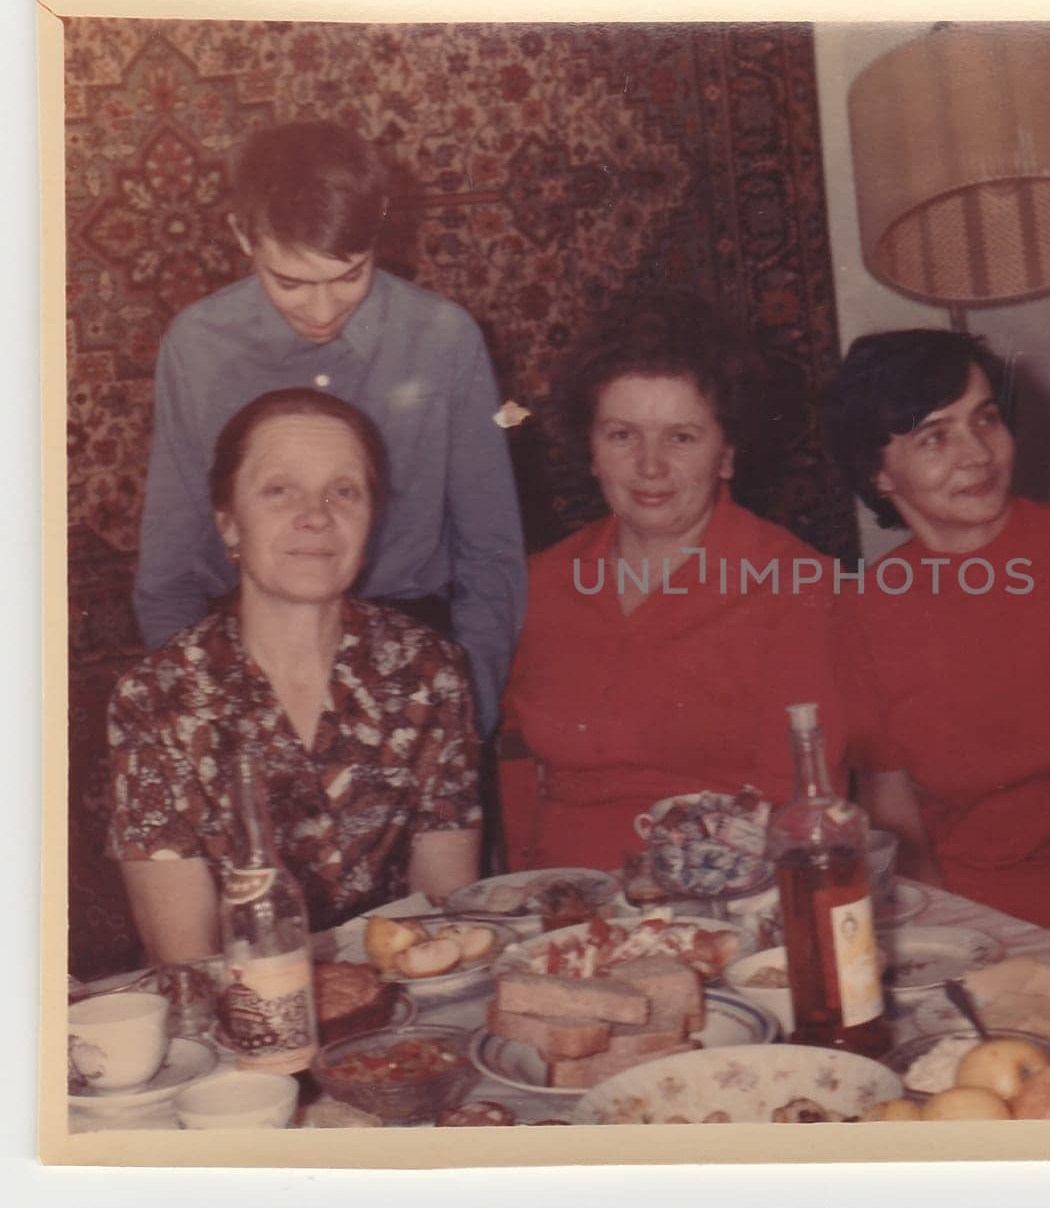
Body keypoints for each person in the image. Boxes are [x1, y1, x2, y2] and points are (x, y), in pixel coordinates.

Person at [132, 119, 525, 740]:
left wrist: (464, 720)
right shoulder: (198, 347)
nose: (323, 312)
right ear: (242, 234)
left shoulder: (444, 338)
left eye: (349, 276)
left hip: (417, 658)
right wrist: (207, 711)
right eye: (290, 282)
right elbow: (170, 572)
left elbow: (491, 557)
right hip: (253, 657)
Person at [108, 390, 483, 962]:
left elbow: (445, 932)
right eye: (279, 490)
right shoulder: (158, 699)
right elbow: (188, 961)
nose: (316, 515)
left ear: (370, 523)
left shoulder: (430, 672)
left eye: (344, 491)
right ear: (229, 524)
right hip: (240, 1029)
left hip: (409, 1022)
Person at [498, 303, 850, 872]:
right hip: (559, 910)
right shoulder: (536, 582)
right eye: (622, 436)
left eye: (681, 438)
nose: (650, 466)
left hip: (726, 901)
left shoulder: (798, 585)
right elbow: (512, 769)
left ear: (727, 454)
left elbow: (801, 804)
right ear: (590, 450)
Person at [821, 330, 1050, 929]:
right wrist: (962, 944)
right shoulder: (864, 611)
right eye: (935, 437)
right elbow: (895, 814)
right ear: (878, 473)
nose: (977, 455)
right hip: (985, 921)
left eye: (985, 420)